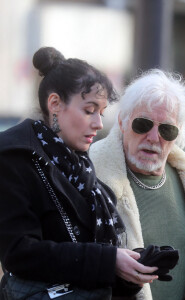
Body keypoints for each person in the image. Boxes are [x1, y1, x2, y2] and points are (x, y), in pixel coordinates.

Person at [0, 47, 159, 299]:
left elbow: (93, 268)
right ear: (54, 104)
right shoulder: (14, 158)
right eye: (89, 110)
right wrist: (108, 261)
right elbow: (20, 253)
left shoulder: (83, 170)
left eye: (102, 112)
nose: (98, 123)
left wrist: (133, 269)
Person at [90, 69, 185, 300]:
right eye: (143, 124)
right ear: (122, 122)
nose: (154, 137)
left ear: (178, 135)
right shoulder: (89, 176)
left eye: (167, 129)